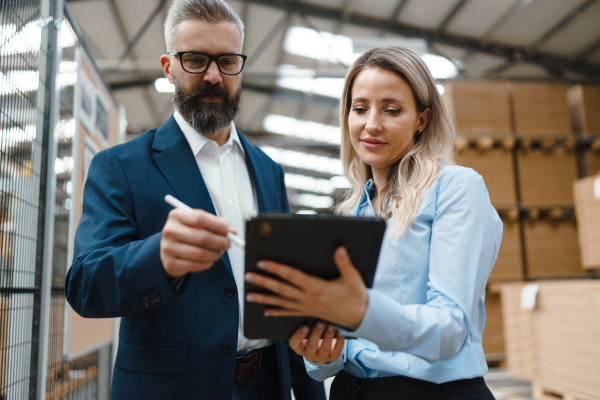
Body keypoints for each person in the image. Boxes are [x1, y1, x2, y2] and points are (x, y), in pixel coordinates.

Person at [64, 1, 325, 399]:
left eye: (227, 61)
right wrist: (160, 258)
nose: (214, 76)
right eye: (196, 60)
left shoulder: (269, 170)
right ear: (168, 67)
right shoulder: (121, 166)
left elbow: (280, 294)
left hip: (266, 387)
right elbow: (85, 285)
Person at [244, 46, 503, 400]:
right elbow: (329, 362)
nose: (372, 124)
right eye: (360, 109)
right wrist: (320, 352)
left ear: (422, 120)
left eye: (392, 110)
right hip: (352, 391)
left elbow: (449, 329)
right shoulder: (352, 215)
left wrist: (360, 312)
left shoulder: (456, 187)